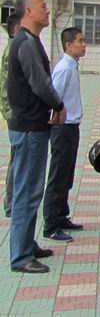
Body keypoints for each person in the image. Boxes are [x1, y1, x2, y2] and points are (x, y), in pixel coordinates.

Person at [7, 0, 65, 273]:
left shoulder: (29, 41)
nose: (47, 10)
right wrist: (58, 105)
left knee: (31, 190)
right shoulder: (26, 43)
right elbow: (40, 83)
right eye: (42, 6)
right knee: (27, 192)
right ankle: (20, 256)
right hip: (29, 128)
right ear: (28, 11)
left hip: (32, 126)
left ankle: (27, 245)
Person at [42, 27, 87, 242]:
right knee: (58, 176)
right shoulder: (64, 68)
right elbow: (54, 98)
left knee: (66, 174)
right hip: (63, 128)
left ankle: (61, 216)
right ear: (68, 45)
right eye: (80, 41)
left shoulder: (72, 66)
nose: (84, 45)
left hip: (72, 127)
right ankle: (51, 225)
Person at [2, 12, 20, 217]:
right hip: (15, 114)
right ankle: (11, 203)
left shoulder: (13, 47)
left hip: (14, 112)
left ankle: (12, 201)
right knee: (17, 160)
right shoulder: (13, 49)